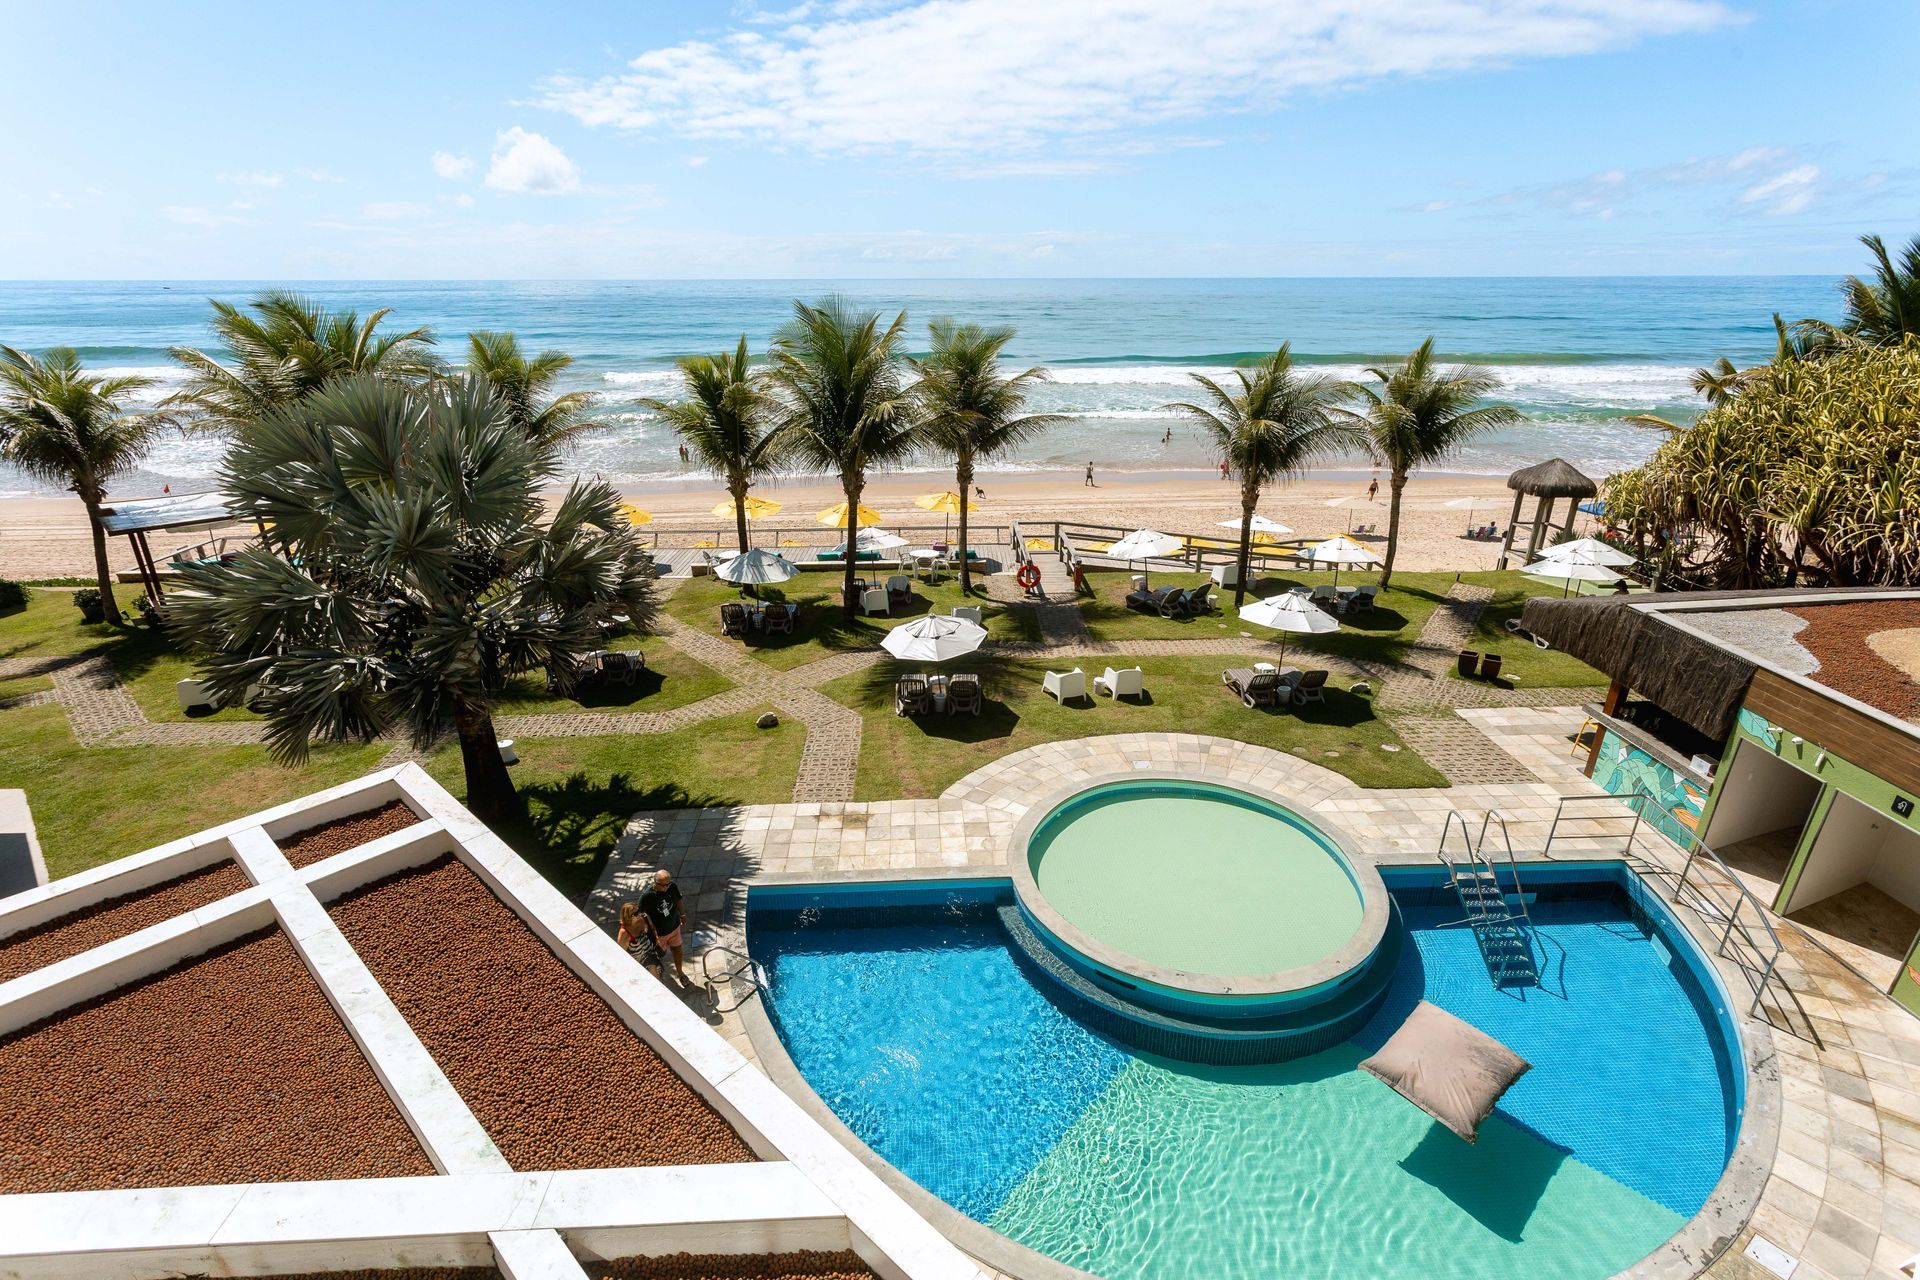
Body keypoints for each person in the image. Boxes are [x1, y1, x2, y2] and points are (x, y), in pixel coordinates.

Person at [638, 868, 691, 982]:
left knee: (678, 951)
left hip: (674, 927)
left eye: (668, 884)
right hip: (659, 934)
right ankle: (658, 978)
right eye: (663, 885)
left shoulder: (672, 886)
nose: (667, 887)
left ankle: (680, 972)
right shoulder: (647, 896)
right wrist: (648, 930)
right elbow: (640, 913)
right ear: (655, 883)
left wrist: (682, 915)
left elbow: (678, 900)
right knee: (658, 956)